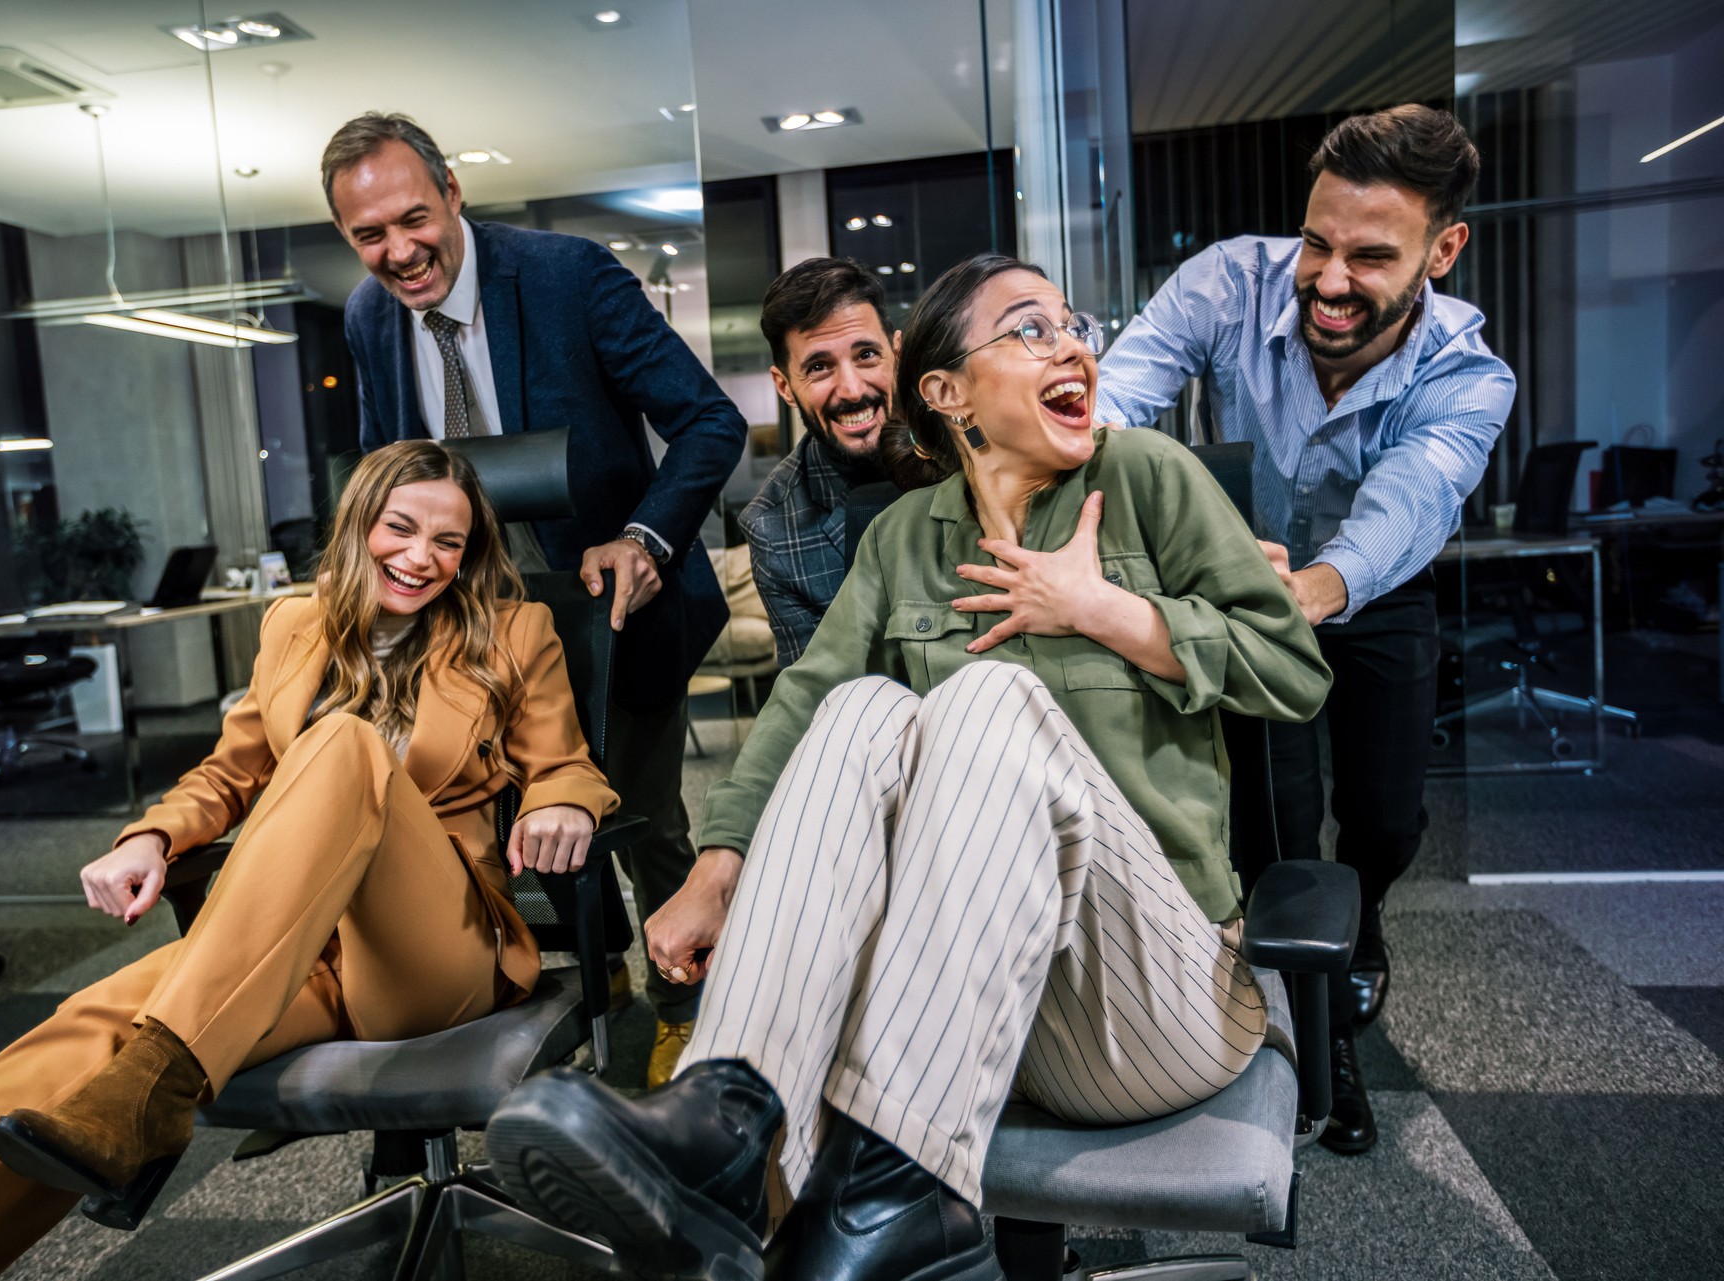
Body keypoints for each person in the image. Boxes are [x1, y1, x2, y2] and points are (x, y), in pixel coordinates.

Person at [484, 254, 1332, 1281]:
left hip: (1147, 996)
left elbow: (1294, 669)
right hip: (968, 1011)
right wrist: (717, 868)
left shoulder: (1146, 476)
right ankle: (729, 1127)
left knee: (981, 696)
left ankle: (897, 1190)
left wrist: (1106, 610)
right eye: (1030, 329)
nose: (1069, 347)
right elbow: (803, 708)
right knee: (858, 705)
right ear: (946, 392)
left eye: (1072, 326)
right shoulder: (897, 540)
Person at [0, 441, 618, 1281]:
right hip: (292, 947)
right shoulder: (293, 626)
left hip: (433, 952)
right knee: (83, 1033)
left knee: (343, 742)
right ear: (356, 524)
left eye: (449, 541)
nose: (422, 557)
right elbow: (229, 774)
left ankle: (154, 1084)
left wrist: (560, 800)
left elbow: (564, 762)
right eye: (400, 528)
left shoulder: (513, 630)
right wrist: (151, 837)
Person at [1091, 104, 1515, 1155]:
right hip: (1239, 589)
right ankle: (1320, 1039)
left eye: (1370, 257)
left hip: (1372, 589)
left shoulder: (1468, 375)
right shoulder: (1229, 282)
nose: (1327, 280)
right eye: (1318, 243)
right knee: (1275, 828)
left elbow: (1409, 503)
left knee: (1385, 819)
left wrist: (1318, 588)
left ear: (1443, 251)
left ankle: (1362, 924)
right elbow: (1120, 392)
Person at [325, 113, 745, 1084]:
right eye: (369, 235)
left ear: (453, 193)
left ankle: (690, 1007)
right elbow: (389, 474)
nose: (399, 252)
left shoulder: (567, 277)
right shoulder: (368, 317)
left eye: (414, 219)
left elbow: (708, 424)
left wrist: (644, 538)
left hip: (615, 603)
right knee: (501, 816)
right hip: (477, 621)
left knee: (644, 816)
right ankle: (592, 985)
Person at [742, 256, 899, 666]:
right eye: (819, 367)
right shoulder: (774, 528)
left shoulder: (968, 452)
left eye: (866, 355)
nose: (852, 390)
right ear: (785, 387)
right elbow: (819, 691)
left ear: (896, 353)